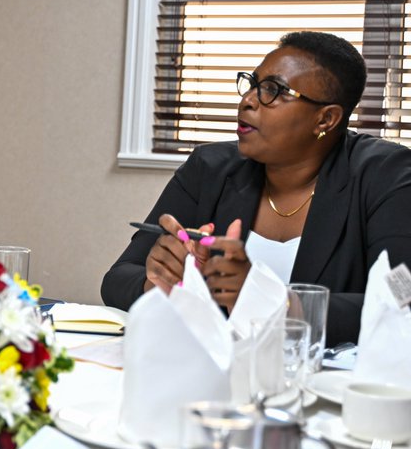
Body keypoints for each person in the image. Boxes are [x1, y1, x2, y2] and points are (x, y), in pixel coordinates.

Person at [101, 31, 411, 346]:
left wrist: (271, 301)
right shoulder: (209, 168)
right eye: (252, 83)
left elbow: (403, 300)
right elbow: (117, 278)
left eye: (274, 90)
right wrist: (164, 282)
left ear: (326, 119)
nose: (248, 100)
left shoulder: (386, 175)